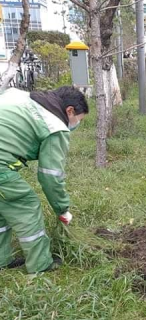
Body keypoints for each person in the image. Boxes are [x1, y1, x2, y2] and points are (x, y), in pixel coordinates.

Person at [0, 86, 88, 273]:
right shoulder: (55, 126)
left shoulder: (19, 95)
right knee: (26, 205)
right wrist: (62, 209)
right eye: (78, 120)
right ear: (69, 111)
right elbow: (50, 176)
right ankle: (40, 265)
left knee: (3, 206)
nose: (75, 125)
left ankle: (2, 259)